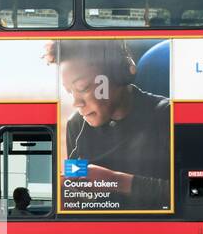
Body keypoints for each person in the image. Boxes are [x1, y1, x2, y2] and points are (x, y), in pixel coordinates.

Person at [52, 39, 171, 211]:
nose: (76, 103)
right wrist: (67, 189)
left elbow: (192, 192)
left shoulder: (166, 115)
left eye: (83, 88)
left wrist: (115, 181)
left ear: (118, 74)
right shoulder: (76, 125)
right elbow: (75, 182)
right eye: (70, 92)